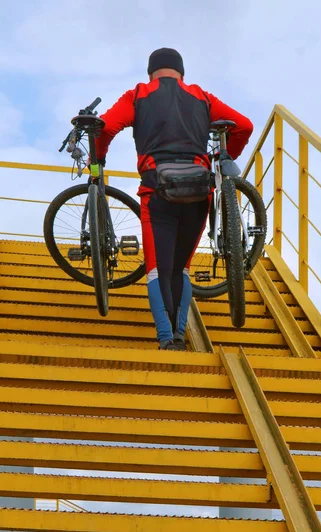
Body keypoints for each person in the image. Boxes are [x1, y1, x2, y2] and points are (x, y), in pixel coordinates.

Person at [95, 48, 253, 350]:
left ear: (150, 72)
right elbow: (244, 126)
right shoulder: (201, 97)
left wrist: (98, 159)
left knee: (159, 268)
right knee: (181, 267)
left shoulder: (138, 95)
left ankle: (168, 340)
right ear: (181, 73)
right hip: (199, 191)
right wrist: (226, 155)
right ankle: (181, 333)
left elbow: (108, 127)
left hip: (157, 193)